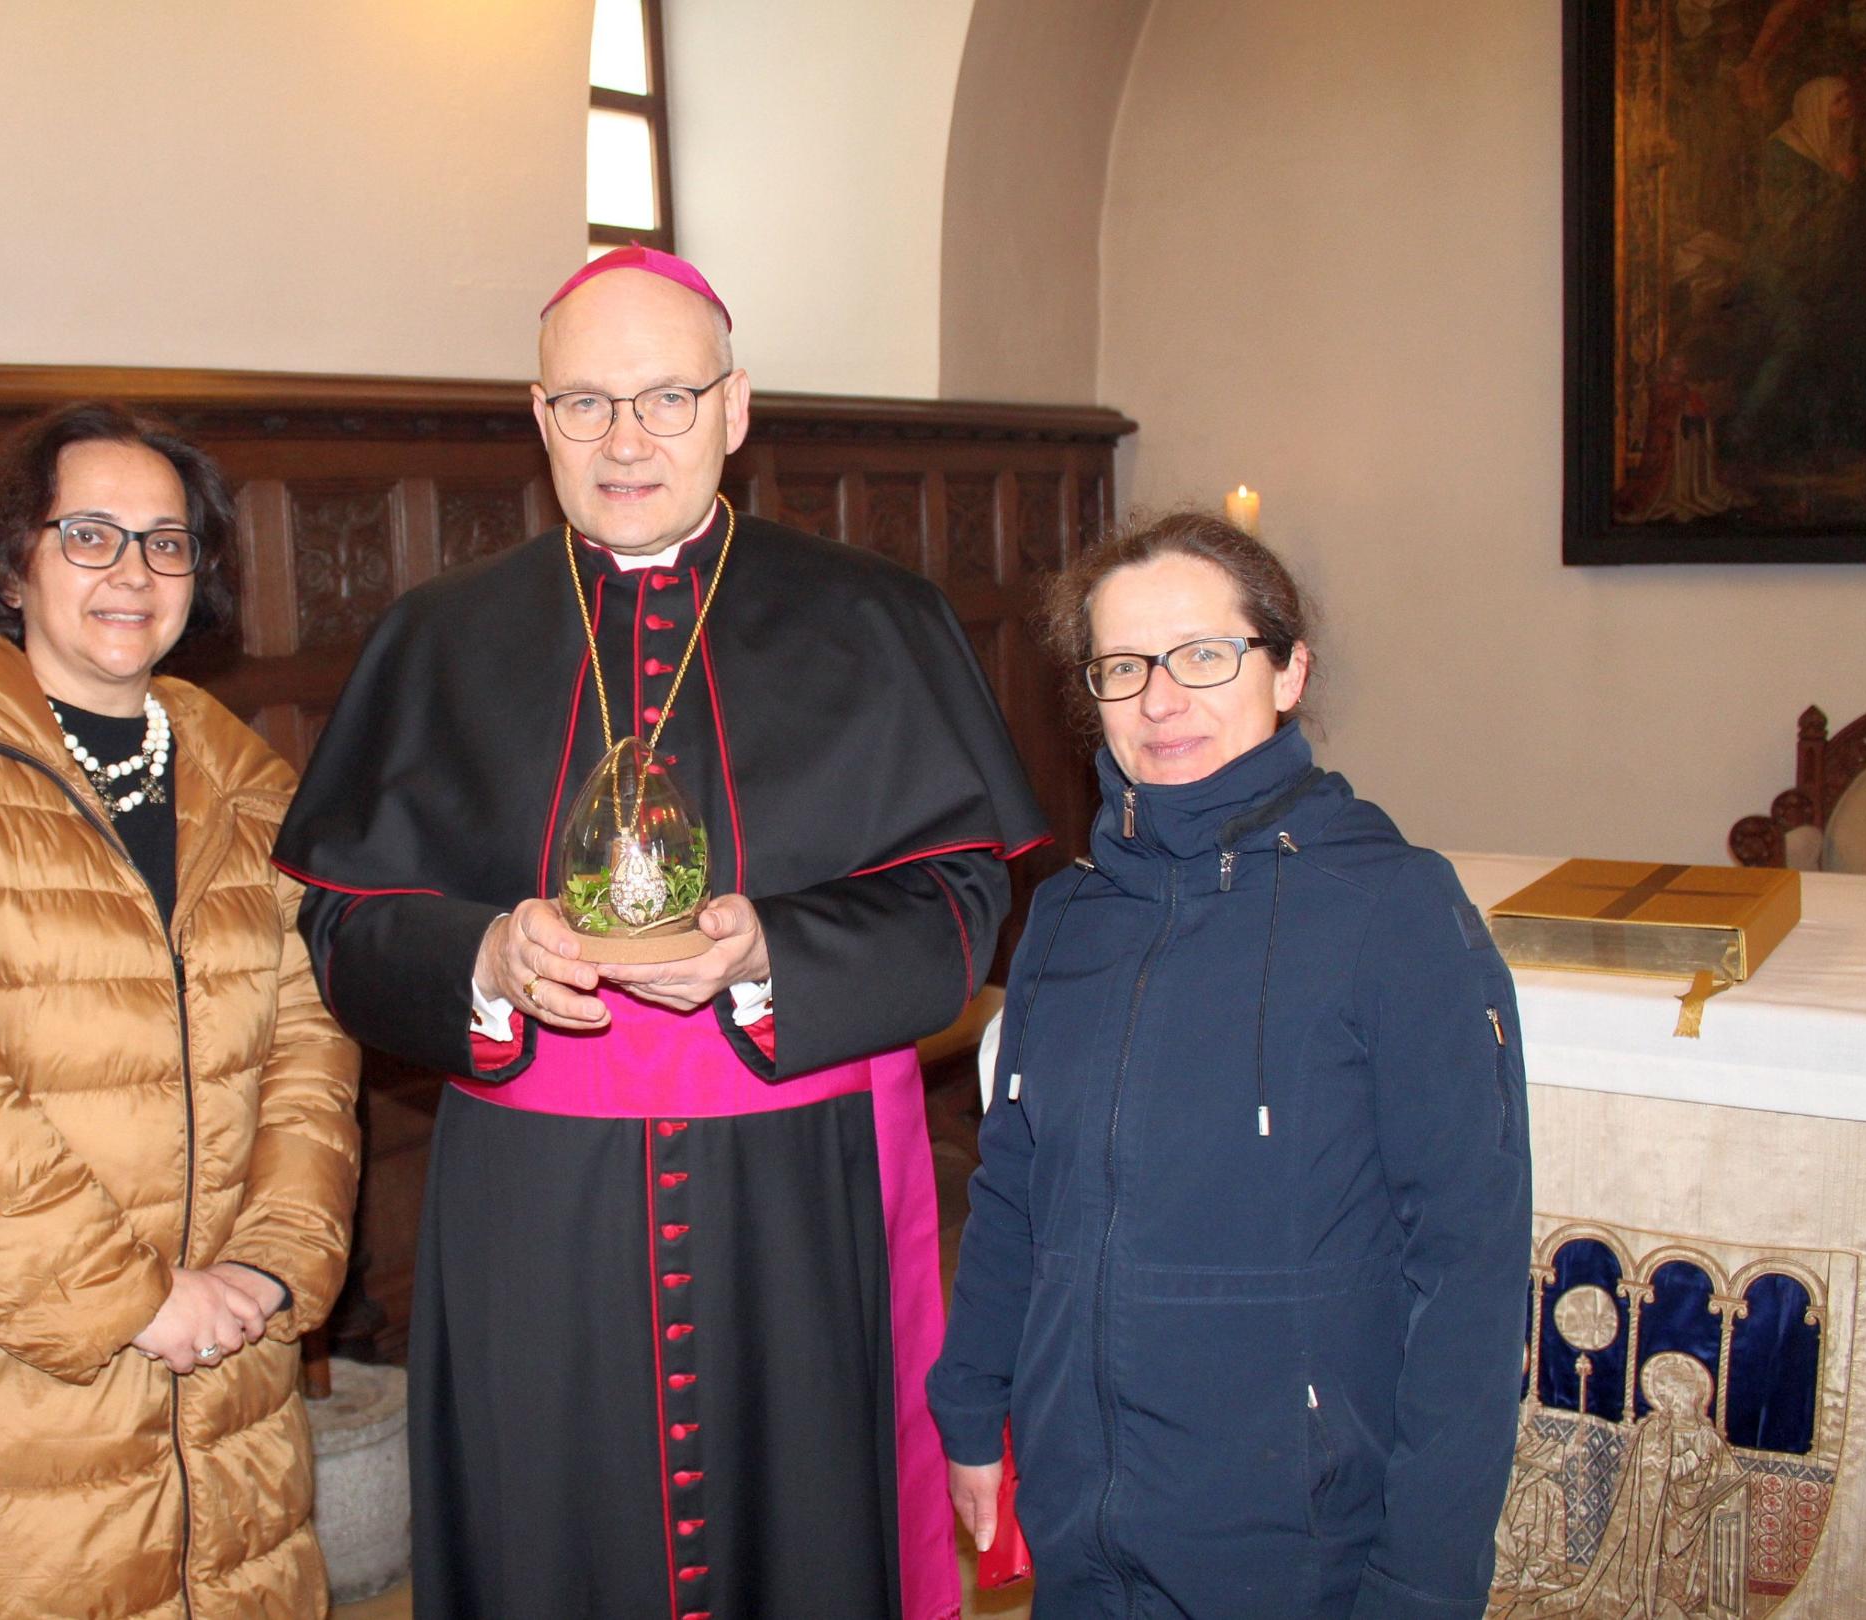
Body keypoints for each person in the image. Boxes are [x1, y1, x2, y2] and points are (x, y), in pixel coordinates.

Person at [274, 246, 1048, 1620]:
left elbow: (959, 902)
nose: (624, 438)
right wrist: (486, 957)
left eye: (665, 398)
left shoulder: (872, 621)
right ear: (537, 417)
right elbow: (342, 925)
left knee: (807, 1538)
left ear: (735, 408)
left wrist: (768, 958)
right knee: (549, 1545)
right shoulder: (440, 639)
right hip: (531, 1199)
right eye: (584, 404)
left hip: (797, 1184)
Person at [0, 402, 361, 1619]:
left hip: (228, 1373)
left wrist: (269, 1264)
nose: (132, 572)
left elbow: (315, 1036)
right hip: (0, 1392)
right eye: (90, 535)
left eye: (167, 542)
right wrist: (133, 1301)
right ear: (13, 558)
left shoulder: (246, 779)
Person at [926, 511, 1532, 1618]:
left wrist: (1425, 1584)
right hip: (1080, 1517)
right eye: (1123, 667)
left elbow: (1470, 1278)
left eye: (1205, 656)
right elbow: (1014, 1195)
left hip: (1291, 1539)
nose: (1161, 699)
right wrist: (972, 1412)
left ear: (1289, 671)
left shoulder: (1391, 911)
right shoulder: (1064, 917)